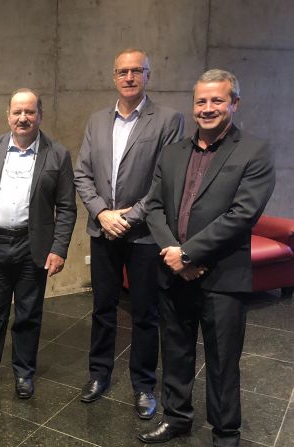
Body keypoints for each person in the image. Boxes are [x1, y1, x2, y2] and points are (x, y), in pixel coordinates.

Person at [139, 69, 275, 446]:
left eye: (217, 100)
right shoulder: (173, 151)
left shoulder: (254, 150)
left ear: (234, 103)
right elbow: (153, 208)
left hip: (222, 278)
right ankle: (177, 417)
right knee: (177, 353)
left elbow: (242, 214)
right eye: (201, 101)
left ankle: (226, 432)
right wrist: (174, 255)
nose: (208, 108)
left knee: (222, 362)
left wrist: (189, 253)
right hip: (173, 273)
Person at [74, 48, 184, 418]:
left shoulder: (168, 120)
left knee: (144, 312)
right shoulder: (97, 120)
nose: (130, 77)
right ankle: (98, 373)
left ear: (148, 75)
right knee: (102, 307)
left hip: (144, 235)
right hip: (102, 230)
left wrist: (130, 216)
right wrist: (103, 213)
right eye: (123, 71)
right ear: (114, 76)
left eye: (137, 70)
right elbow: (82, 174)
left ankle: (143, 384)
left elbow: (164, 179)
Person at [0, 88, 76, 399]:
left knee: (28, 313)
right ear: (8, 116)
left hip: (33, 247)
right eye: (17, 112)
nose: (23, 118)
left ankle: (24, 373)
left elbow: (67, 207)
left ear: (40, 115)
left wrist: (59, 248)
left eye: (29, 112)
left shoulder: (57, 154)